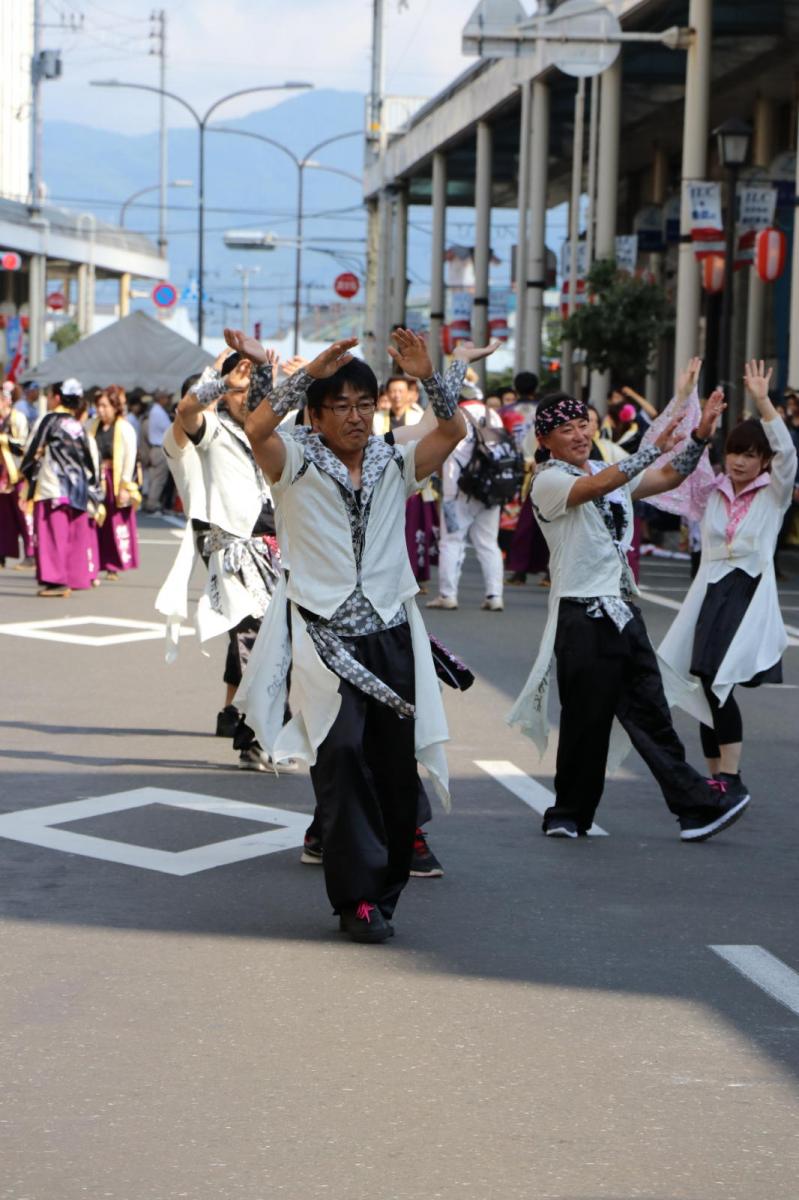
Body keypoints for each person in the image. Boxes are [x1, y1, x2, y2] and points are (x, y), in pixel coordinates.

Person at [231, 327, 466, 943]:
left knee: (392, 771)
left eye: (366, 403)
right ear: (316, 412)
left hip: (390, 634)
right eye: (341, 405)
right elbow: (256, 432)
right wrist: (305, 374)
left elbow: (451, 433)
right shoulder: (296, 460)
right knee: (338, 760)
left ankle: (385, 891)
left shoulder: (394, 459)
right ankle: (355, 899)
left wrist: (428, 374)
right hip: (321, 638)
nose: (357, 416)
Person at [508, 382, 751, 842]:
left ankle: (695, 807)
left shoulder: (605, 466)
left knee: (652, 716)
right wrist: (650, 450)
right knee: (586, 723)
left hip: (623, 613)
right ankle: (568, 814)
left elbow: (667, 478)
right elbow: (599, 485)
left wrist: (699, 436)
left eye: (583, 423)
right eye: (565, 428)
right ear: (545, 440)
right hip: (581, 616)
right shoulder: (549, 482)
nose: (579, 434)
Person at [658, 359, 797, 807]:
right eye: (735, 452)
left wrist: (762, 402)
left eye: (750, 455)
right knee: (702, 682)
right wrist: (692, 409)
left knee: (718, 680)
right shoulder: (712, 491)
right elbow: (672, 462)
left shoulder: (774, 493)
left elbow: (789, 455)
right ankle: (716, 776)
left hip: (749, 590)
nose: (740, 461)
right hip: (710, 592)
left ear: (764, 460)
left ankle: (732, 778)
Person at [157, 350, 285, 771]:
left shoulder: (261, 436)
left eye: (249, 387)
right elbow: (189, 412)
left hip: (277, 551)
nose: (242, 393)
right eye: (235, 388)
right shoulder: (206, 432)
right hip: (231, 552)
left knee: (277, 641)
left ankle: (256, 725)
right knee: (252, 639)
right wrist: (219, 381)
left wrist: (293, 373)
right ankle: (257, 737)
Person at [427, 354, 506, 613]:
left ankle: (448, 595)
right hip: (490, 488)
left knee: (452, 540)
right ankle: (494, 595)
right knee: (488, 542)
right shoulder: (494, 415)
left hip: (456, 489)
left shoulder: (453, 415)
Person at [20, 378, 100, 597]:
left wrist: (27, 476)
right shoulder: (79, 427)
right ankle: (74, 577)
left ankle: (56, 581)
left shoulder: (49, 420)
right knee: (73, 535)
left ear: (57, 397)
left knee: (51, 534)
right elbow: (90, 460)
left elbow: (31, 449)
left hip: (53, 487)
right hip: (78, 489)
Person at [89, 385, 141, 581]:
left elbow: (130, 458)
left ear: (115, 407)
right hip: (96, 478)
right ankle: (95, 561)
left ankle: (113, 564)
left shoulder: (125, 428)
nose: (100, 410)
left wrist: (125, 485)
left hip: (115, 479)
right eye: (98, 406)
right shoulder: (91, 426)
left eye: (105, 406)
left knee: (114, 521)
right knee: (95, 520)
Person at [0, 383, 35, 567]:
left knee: (23, 514)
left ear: (6, 401)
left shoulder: (17, 418)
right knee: (3, 517)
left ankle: (31, 552)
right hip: (2, 475)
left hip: (17, 473)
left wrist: (5, 440)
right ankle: (2, 552)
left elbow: (24, 445)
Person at [143, 388, 173, 512]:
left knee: (154, 477)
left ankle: (150, 502)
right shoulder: (158, 412)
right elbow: (169, 429)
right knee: (159, 478)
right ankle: (152, 503)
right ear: (161, 398)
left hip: (154, 448)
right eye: (166, 397)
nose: (167, 400)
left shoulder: (154, 411)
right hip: (159, 447)